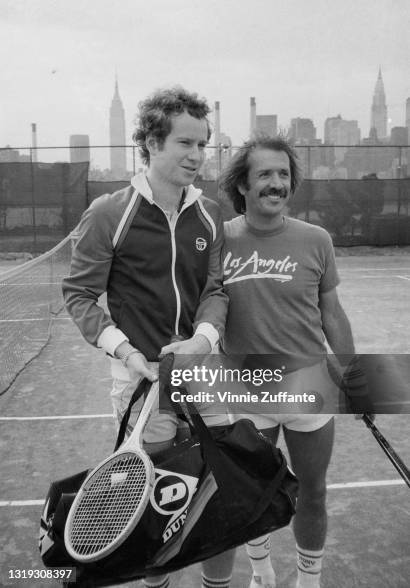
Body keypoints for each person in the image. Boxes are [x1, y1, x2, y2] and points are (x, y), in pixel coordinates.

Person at [62, 86, 235, 588]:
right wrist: (128, 352)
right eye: (185, 143)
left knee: (215, 501)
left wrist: (201, 342)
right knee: (154, 508)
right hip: (143, 387)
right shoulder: (108, 213)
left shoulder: (209, 213)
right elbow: (79, 295)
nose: (197, 156)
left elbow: (215, 289)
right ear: (152, 143)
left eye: (203, 144)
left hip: (203, 377)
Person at [219, 135, 371, 588]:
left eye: (283, 174)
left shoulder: (315, 240)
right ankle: (261, 572)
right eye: (264, 174)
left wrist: (353, 375)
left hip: (309, 388)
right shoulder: (219, 241)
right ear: (242, 185)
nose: (277, 183)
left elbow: (331, 314)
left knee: (313, 491)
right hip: (246, 392)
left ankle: (309, 579)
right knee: (250, 496)